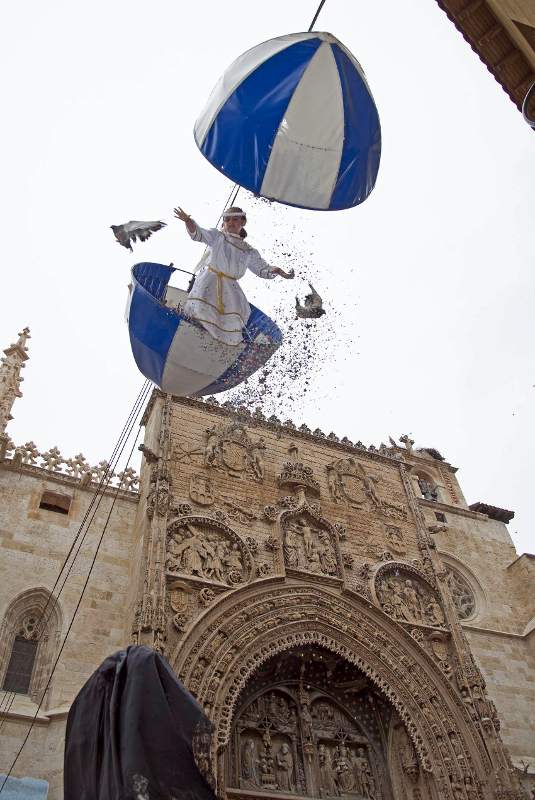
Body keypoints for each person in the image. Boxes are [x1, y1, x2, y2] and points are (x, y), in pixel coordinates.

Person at [174, 205, 294, 345]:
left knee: (229, 320)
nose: (231, 223)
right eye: (227, 220)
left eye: (235, 219)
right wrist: (188, 221)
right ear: (223, 223)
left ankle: (213, 344)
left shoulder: (248, 251)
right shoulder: (217, 237)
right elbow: (199, 233)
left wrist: (277, 271)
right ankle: (191, 332)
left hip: (231, 289)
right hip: (209, 281)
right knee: (201, 310)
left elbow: (262, 268)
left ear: (242, 222)